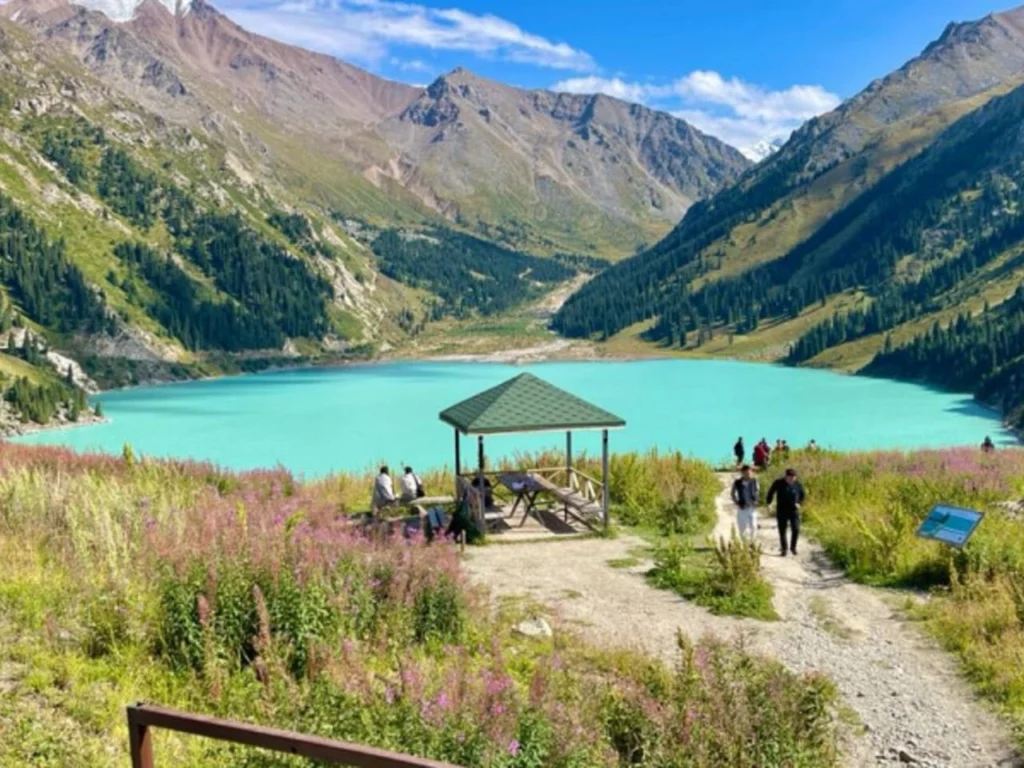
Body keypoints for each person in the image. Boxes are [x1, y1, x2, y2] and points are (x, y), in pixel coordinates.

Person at [766, 468, 806, 557]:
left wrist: (799, 503)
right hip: (781, 510)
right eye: (790, 477)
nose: (792, 479)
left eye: (793, 477)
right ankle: (784, 549)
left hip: (794, 511)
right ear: (786, 476)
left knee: (796, 529)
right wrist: (769, 503)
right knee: (782, 530)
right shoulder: (778, 483)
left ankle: (793, 547)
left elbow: (803, 495)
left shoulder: (798, 484)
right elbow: (771, 492)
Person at [730, 464, 759, 540]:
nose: (748, 474)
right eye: (746, 473)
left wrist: (756, 500)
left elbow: (757, 491)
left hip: (752, 507)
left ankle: (752, 543)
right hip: (742, 507)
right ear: (742, 473)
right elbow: (732, 493)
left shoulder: (754, 481)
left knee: (754, 526)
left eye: (749, 472)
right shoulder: (737, 482)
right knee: (742, 527)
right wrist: (736, 502)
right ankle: (744, 544)